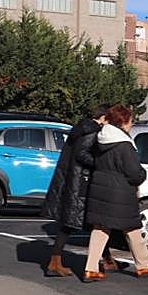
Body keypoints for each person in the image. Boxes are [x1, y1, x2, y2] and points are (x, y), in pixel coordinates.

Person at [82, 104, 148, 281]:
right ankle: (143, 265)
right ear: (123, 122)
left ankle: (91, 268)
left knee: (101, 228)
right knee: (132, 227)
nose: (131, 124)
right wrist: (143, 175)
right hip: (120, 192)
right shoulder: (124, 144)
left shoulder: (101, 139)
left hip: (100, 189)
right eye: (130, 121)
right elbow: (134, 172)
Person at [40, 104, 122, 277]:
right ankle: (55, 262)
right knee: (74, 223)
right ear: (103, 118)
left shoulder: (82, 128)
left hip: (75, 181)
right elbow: (82, 154)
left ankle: (107, 259)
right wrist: (100, 163)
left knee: (92, 223)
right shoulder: (91, 131)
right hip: (81, 183)